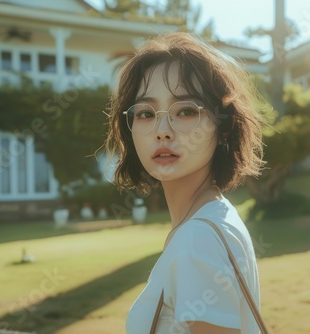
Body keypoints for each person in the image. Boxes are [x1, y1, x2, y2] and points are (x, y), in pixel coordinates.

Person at [105, 32, 266, 334]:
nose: (162, 130)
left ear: (223, 126)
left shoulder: (198, 239)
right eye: (145, 113)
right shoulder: (214, 216)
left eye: (186, 111)